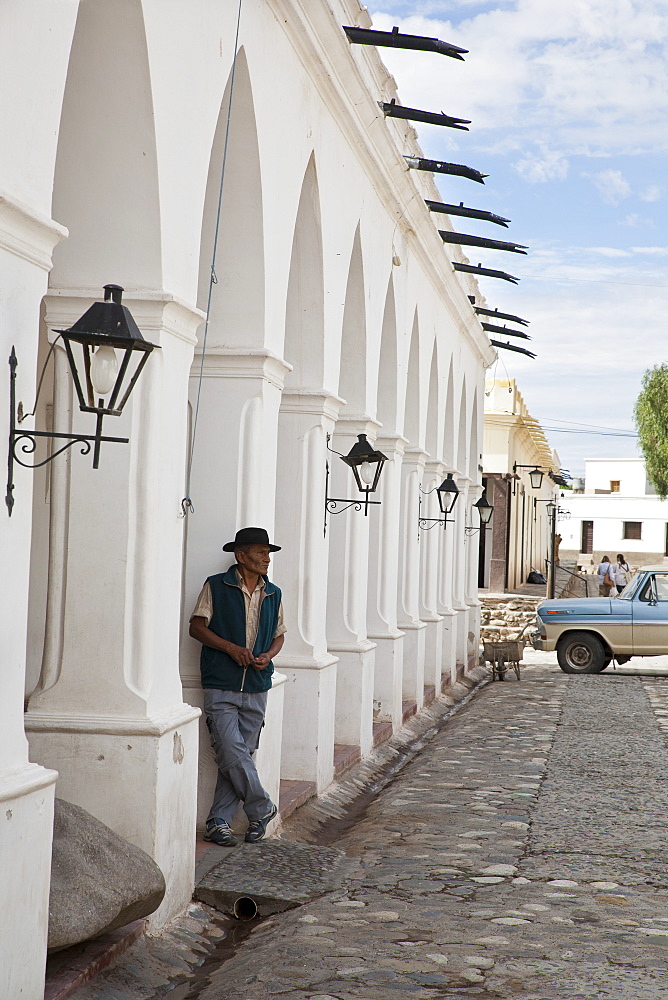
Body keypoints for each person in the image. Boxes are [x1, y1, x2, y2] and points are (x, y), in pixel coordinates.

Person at [189, 526, 286, 847]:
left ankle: (218, 821)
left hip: (258, 684)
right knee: (231, 749)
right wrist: (230, 649)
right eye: (260, 553)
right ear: (240, 556)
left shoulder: (274, 593)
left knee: (240, 754)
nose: (266, 559)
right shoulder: (216, 586)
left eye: (268, 553)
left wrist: (268, 655)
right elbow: (197, 627)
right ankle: (262, 807)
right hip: (221, 682)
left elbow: (279, 635)